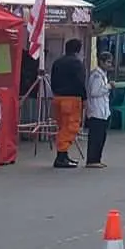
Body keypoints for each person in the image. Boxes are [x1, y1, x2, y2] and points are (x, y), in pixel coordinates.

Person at [49, 39, 87, 168]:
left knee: (62, 127)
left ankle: (64, 156)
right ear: (78, 50)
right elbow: (80, 82)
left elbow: (52, 81)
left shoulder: (57, 62)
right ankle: (61, 156)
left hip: (58, 98)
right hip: (72, 99)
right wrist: (84, 98)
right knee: (71, 127)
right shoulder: (77, 64)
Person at [84, 52, 114, 169]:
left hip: (103, 111)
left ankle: (97, 159)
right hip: (96, 111)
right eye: (108, 62)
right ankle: (92, 159)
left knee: (101, 137)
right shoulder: (96, 75)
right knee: (95, 137)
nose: (109, 64)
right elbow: (94, 92)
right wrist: (108, 87)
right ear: (101, 62)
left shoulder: (103, 75)